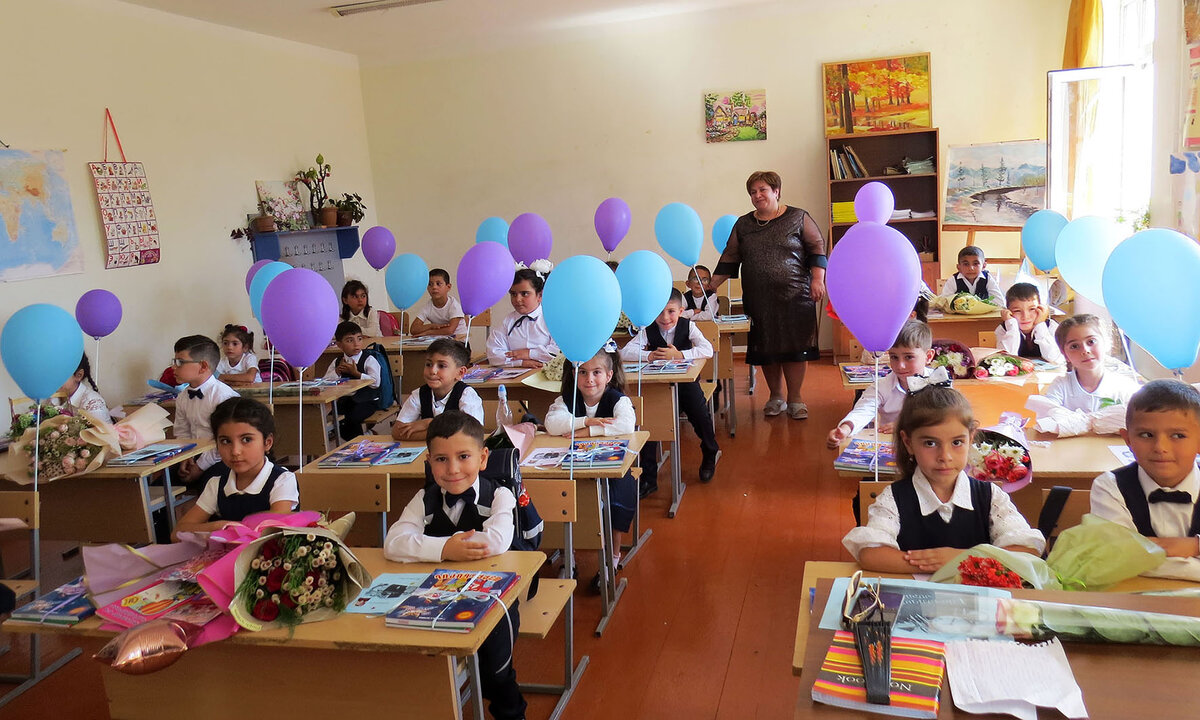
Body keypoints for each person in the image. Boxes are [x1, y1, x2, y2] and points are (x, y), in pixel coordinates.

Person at [383, 411, 527, 720]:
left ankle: (511, 711)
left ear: (483, 457)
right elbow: (393, 542)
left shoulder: (500, 494)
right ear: (428, 460)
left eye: (463, 456)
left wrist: (428, 548)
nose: (453, 469)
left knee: (496, 669)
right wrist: (447, 548)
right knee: (410, 652)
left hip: (494, 594)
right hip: (435, 594)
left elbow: (496, 542)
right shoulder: (425, 498)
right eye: (441, 460)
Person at [842, 385, 1044, 572]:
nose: (944, 456)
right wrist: (938, 564)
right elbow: (871, 554)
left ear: (971, 438)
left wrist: (962, 559)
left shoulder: (990, 496)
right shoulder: (895, 497)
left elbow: (1027, 552)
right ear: (908, 442)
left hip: (979, 606)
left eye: (957, 442)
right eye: (930, 443)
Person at [708, 170, 826, 420]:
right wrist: (712, 285)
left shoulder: (797, 217)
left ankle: (795, 399)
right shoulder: (743, 224)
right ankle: (776, 396)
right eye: (753, 192)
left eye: (762, 189)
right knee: (767, 347)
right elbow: (730, 257)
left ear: (776, 191)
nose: (757, 195)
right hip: (759, 299)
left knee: (796, 348)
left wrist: (818, 279)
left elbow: (817, 247)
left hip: (796, 296)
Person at [1089, 380, 1200, 580]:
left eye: (1178, 435)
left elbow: (1134, 559)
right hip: (1132, 601)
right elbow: (1119, 558)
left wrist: (1195, 545)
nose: (1160, 447)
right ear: (1128, 440)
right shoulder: (1110, 487)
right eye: (1146, 435)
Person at [545, 343, 638, 571]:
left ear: (608, 376)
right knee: (562, 494)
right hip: (573, 466)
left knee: (616, 495)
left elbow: (627, 424)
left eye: (596, 373)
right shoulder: (566, 400)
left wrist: (590, 431)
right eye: (583, 373)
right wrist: (586, 421)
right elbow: (552, 424)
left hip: (611, 469)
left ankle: (612, 558)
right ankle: (570, 556)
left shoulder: (618, 400)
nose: (589, 379)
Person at [621, 289, 720, 485]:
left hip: (686, 384)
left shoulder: (688, 326)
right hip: (658, 386)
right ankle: (649, 478)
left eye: (671, 311)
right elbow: (625, 352)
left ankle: (710, 451)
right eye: (659, 312)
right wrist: (648, 356)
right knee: (648, 421)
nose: (665, 318)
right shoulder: (647, 328)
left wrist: (680, 355)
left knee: (699, 415)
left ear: (681, 311)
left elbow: (707, 349)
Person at [173, 397, 298, 538]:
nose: (235, 451)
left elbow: (275, 527)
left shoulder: (282, 480)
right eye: (225, 441)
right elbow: (177, 533)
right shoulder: (216, 484)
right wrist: (217, 526)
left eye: (246, 440)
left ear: (267, 442)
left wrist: (230, 529)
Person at [827, 320, 936, 449]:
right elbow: (863, 410)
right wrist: (845, 429)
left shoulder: (938, 381)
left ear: (928, 356)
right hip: (894, 448)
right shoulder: (882, 386)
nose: (900, 366)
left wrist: (907, 425)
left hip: (930, 446)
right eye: (894, 357)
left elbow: (945, 416)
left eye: (909, 357)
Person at [172, 335, 240, 482]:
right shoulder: (183, 397)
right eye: (174, 361)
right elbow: (182, 432)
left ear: (203, 366)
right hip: (193, 454)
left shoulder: (223, 397)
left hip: (222, 457)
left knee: (212, 483)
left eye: (180, 362)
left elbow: (227, 441)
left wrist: (200, 467)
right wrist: (186, 457)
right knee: (160, 483)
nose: (174, 367)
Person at [1043, 314, 1140, 413]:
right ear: (1065, 355)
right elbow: (1048, 415)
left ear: (1106, 343)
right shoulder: (1061, 386)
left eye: (1091, 341)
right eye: (1074, 346)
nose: (1085, 350)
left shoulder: (1125, 387)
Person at [392, 338, 483, 440]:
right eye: (428, 364)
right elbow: (397, 431)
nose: (433, 371)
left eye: (441, 366)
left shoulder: (467, 395)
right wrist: (443, 433)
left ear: (460, 373)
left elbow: (471, 432)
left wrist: (430, 423)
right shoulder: (419, 394)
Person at [486, 268, 559, 368]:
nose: (518, 299)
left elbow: (558, 352)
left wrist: (529, 353)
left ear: (540, 295)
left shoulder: (552, 319)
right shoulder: (507, 322)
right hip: (515, 375)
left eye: (524, 293)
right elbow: (493, 355)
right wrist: (521, 362)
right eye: (513, 294)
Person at [323, 321, 382, 440]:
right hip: (346, 400)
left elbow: (376, 383)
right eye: (350, 340)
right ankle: (361, 439)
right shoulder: (337, 361)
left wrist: (357, 374)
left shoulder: (368, 359)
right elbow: (326, 382)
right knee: (337, 417)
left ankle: (362, 439)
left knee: (352, 418)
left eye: (359, 339)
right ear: (339, 345)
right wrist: (337, 373)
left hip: (367, 400)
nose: (356, 344)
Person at [996, 282, 1064, 363]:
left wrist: (1040, 325)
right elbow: (1006, 359)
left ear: (1040, 308)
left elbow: (1054, 358)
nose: (1025, 316)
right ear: (1008, 312)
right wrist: (1012, 327)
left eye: (1032, 309)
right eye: (1017, 311)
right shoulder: (1004, 329)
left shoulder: (1051, 326)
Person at [409, 268, 467, 339]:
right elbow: (413, 329)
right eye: (430, 284)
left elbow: (450, 330)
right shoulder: (428, 306)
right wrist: (431, 326)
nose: (434, 287)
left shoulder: (454, 305)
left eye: (438, 284)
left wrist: (428, 332)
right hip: (439, 342)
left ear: (448, 287)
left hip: (459, 343)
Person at [56, 352, 111, 424]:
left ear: (79, 375)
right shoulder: (59, 397)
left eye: (59, 374)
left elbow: (99, 434)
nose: (53, 379)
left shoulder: (92, 404)